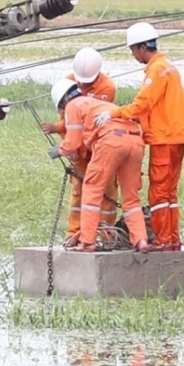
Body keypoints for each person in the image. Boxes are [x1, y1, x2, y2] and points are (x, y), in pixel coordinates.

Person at [48, 78, 150, 253]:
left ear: (63, 101)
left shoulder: (73, 106)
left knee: (92, 188)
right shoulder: (100, 104)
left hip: (111, 141)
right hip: (135, 141)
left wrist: (58, 150)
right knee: (131, 197)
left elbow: (73, 142)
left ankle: (87, 242)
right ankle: (141, 240)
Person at [116, 22, 184, 252]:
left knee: (158, 191)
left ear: (142, 47)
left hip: (164, 137)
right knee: (169, 192)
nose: (133, 55)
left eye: (133, 50)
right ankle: (172, 239)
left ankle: (162, 239)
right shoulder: (168, 66)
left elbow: (143, 103)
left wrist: (116, 113)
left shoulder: (156, 70)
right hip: (177, 135)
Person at [42, 48, 119, 245]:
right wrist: (66, 140)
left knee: (106, 190)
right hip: (77, 148)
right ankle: (75, 233)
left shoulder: (107, 88)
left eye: (87, 82)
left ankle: (106, 234)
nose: (82, 85)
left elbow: (94, 120)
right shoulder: (68, 84)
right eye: (80, 82)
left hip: (99, 146)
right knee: (78, 191)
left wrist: (65, 146)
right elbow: (68, 120)